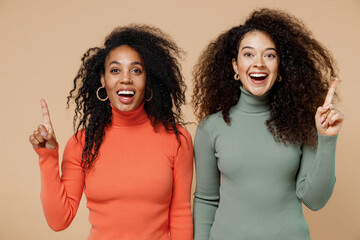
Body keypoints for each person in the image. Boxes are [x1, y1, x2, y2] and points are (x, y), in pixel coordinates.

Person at [29, 24, 193, 240]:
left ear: (147, 79)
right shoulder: (82, 143)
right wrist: (48, 157)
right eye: (115, 70)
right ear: (102, 79)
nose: (126, 79)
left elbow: (180, 214)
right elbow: (59, 220)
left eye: (136, 70)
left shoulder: (176, 139)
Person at [191, 8, 344, 240]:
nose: (259, 63)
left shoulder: (303, 124)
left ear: (281, 66)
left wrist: (327, 138)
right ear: (235, 66)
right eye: (249, 54)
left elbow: (315, 200)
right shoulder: (210, 128)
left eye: (270, 55)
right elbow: (206, 199)